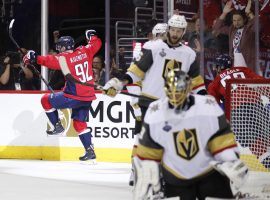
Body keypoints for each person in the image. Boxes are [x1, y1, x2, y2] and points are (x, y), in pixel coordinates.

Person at [133, 69, 249, 200]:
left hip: (209, 173)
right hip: (175, 177)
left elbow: (220, 139)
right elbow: (149, 151)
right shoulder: (155, 112)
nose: (175, 95)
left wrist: (229, 160)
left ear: (188, 88)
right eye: (171, 90)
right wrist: (148, 175)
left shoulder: (208, 106)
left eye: (179, 90)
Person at [23, 30, 102, 162]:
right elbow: (96, 43)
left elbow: (49, 61)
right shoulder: (85, 51)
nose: (59, 49)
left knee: (45, 100)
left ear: (64, 47)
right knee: (79, 124)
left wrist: (34, 58)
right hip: (88, 97)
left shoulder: (64, 58)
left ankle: (58, 127)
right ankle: (90, 151)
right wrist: (92, 36)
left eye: (60, 46)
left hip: (73, 96)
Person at [212, 0, 257, 72]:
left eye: (239, 20)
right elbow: (217, 28)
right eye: (234, 20)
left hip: (249, 67)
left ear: (244, 20)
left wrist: (249, 12)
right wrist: (224, 13)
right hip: (235, 67)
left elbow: (258, 25)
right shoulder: (232, 30)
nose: (236, 23)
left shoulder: (249, 30)